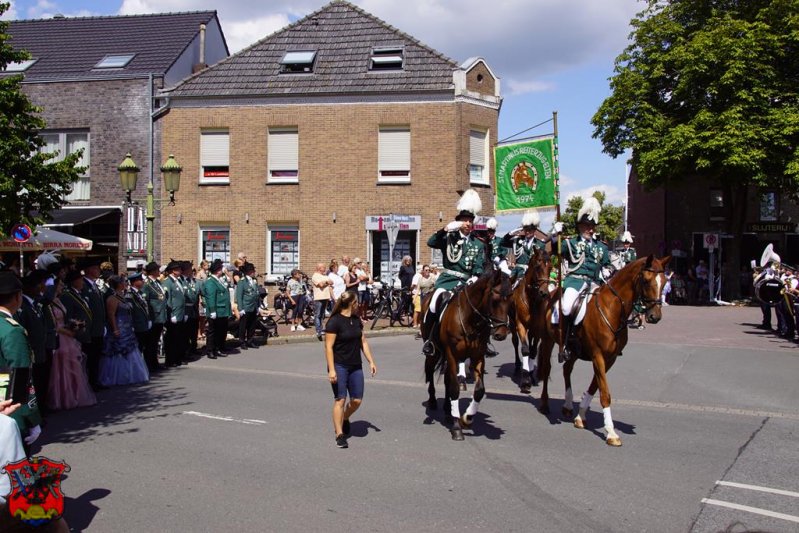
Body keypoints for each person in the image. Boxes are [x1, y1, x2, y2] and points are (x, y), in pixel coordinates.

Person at [421, 189, 486, 357]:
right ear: (459, 222)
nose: (467, 223)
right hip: (448, 279)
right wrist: (444, 229)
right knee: (434, 302)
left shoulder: (478, 244)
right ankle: (429, 339)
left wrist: (475, 276)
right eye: (464, 220)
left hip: (467, 282)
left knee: (482, 307)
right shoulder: (449, 238)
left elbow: (479, 264)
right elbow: (430, 242)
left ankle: (484, 342)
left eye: (470, 221)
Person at [553, 196, 610, 363]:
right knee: (566, 307)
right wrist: (555, 235)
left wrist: (607, 271)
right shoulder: (569, 243)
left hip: (595, 284)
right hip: (575, 281)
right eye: (587, 226)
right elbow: (550, 249)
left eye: (592, 226)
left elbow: (607, 264)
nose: (590, 229)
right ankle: (567, 342)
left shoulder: (602, 247)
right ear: (579, 226)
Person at [324, 291, 377, 449]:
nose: (358, 305)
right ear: (352, 304)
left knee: (356, 400)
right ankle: (339, 434)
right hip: (339, 365)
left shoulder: (356, 320)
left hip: (355, 365)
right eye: (357, 302)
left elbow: (363, 342)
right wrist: (332, 370)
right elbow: (328, 347)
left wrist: (371, 361)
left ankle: (345, 418)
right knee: (340, 399)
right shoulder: (334, 322)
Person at [0, 271, 43, 448]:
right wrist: (32, 418)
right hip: (10, 408)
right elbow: (21, 376)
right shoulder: (12, 330)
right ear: (18, 296)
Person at [47, 278, 97, 410]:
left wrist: (74, 325)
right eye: (60, 284)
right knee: (61, 367)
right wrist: (68, 331)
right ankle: (61, 398)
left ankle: (74, 395)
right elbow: (53, 325)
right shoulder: (49, 303)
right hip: (61, 336)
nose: (63, 285)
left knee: (73, 366)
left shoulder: (58, 300)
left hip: (67, 336)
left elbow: (64, 318)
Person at [99, 276, 149, 386]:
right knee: (118, 350)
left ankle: (129, 374)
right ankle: (117, 376)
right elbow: (111, 315)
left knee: (131, 350)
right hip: (119, 326)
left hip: (127, 327)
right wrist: (115, 329)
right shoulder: (112, 298)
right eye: (123, 282)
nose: (125, 283)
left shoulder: (122, 296)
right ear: (118, 284)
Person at [17, 271, 50, 414]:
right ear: (30, 287)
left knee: (41, 382)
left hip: (40, 351)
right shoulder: (23, 307)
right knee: (33, 385)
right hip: (32, 354)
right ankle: (35, 413)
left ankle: (41, 409)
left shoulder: (35, 303)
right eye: (39, 284)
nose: (42, 287)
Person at [79, 258, 107, 390]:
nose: (98, 271)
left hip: (98, 327)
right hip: (91, 328)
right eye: (96, 268)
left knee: (97, 356)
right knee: (91, 357)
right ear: (89, 270)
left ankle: (96, 380)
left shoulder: (94, 285)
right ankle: (91, 382)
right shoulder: (84, 285)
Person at [500, 209, 546, 280]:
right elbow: (502, 243)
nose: (527, 232)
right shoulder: (517, 240)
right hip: (517, 272)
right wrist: (510, 233)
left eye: (529, 230)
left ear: (534, 230)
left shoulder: (540, 244)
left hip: (532, 274)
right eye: (525, 229)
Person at [203, 259, 232, 359]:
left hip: (223, 310)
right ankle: (211, 350)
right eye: (220, 268)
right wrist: (212, 310)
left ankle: (219, 348)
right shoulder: (211, 282)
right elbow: (211, 297)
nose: (222, 270)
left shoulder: (219, 280)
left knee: (221, 331)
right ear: (217, 270)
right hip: (216, 310)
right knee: (213, 332)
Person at [142, 261, 167, 371]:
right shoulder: (147, 284)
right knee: (151, 343)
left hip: (160, 315)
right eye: (157, 270)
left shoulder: (157, 282)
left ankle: (155, 362)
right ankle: (150, 364)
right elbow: (145, 301)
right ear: (152, 271)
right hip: (153, 316)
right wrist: (148, 317)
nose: (159, 271)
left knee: (155, 341)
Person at [162, 260, 187, 367]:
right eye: (178, 269)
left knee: (179, 338)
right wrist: (171, 315)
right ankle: (170, 360)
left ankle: (177, 358)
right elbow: (168, 300)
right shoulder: (168, 282)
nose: (180, 271)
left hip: (180, 313)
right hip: (173, 314)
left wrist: (184, 312)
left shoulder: (179, 281)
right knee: (171, 339)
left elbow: (182, 298)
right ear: (173, 271)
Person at [619, 231, 645, 328]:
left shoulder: (632, 251)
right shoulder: (620, 251)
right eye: (624, 243)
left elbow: (633, 262)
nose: (625, 245)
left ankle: (639, 317)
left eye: (627, 243)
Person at [127, 272, 152, 364]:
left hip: (143, 324)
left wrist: (148, 319)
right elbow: (130, 311)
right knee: (138, 347)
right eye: (140, 280)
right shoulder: (130, 295)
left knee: (143, 346)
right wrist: (132, 324)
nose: (142, 281)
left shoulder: (140, 293)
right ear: (134, 282)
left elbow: (145, 308)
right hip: (137, 324)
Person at [235, 262, 260, 349]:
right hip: (245, 307)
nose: (255, 272)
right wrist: (240, 308)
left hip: (253, 306)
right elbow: (239, 296)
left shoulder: (254, 281)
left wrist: (258, 306)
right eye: (253, 271)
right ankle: (242, 342)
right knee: (243, 325)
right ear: (250, 272)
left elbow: (257, 295)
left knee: (252, 325)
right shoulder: (242, 282)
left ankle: (250, 340)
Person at [181, 261, 200, 357]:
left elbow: (196, 292)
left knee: (194, 330)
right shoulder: (181, 281)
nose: (191, 271)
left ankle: (193, 347)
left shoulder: (193, 281)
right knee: (186, 332)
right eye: (189, 269)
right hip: (185, 310)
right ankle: (186, 350)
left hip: (194, 309)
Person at [312, 263, 334, 341]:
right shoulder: (315, 276)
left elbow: (332, 282)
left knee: (322, 315)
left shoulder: (325, 276)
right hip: (318, 298)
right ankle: (318, 331)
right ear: (319, 268)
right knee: (317, 315)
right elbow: (321, 285)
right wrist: (327, 282)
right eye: (323, 267)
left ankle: (321, 329)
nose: (325, 268)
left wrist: (326, 282)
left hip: (325, 297)